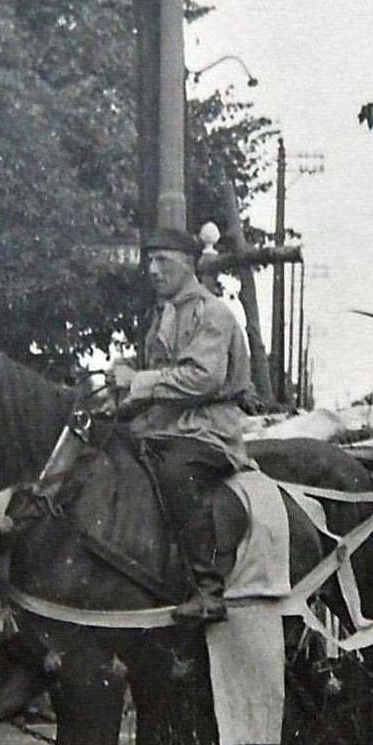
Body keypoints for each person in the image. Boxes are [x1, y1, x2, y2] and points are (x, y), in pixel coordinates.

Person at [105, 228, 254, 625]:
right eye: (149, 262)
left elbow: (201, 379)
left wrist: (137, 381)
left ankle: (207, 589)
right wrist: (116, 401)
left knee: (176, 472)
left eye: (162, 262)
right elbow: (157, 381)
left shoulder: (212, 313)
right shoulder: (163, 315)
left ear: (187, 265)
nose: (152, 271)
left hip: (207, 431)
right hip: (165, 428)